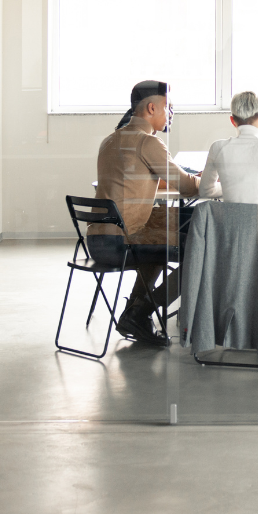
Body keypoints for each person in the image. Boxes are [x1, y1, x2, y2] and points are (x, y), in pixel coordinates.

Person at [88, 80, 199, 347]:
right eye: (168, 107)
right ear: (152, 108)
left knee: (167, 234)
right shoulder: (148, 143)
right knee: (201, 249)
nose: (171, 113)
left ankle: (136, 313)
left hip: (98, 240)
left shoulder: (109, 140)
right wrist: (205, 180)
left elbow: (132, 177)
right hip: (125, 241)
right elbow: (185, 187)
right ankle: (142, 310)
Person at [199, 91, 258, 214]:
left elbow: (205, 191)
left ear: (232, 120)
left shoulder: (217, 148)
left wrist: (233, 187)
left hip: (229, 230)